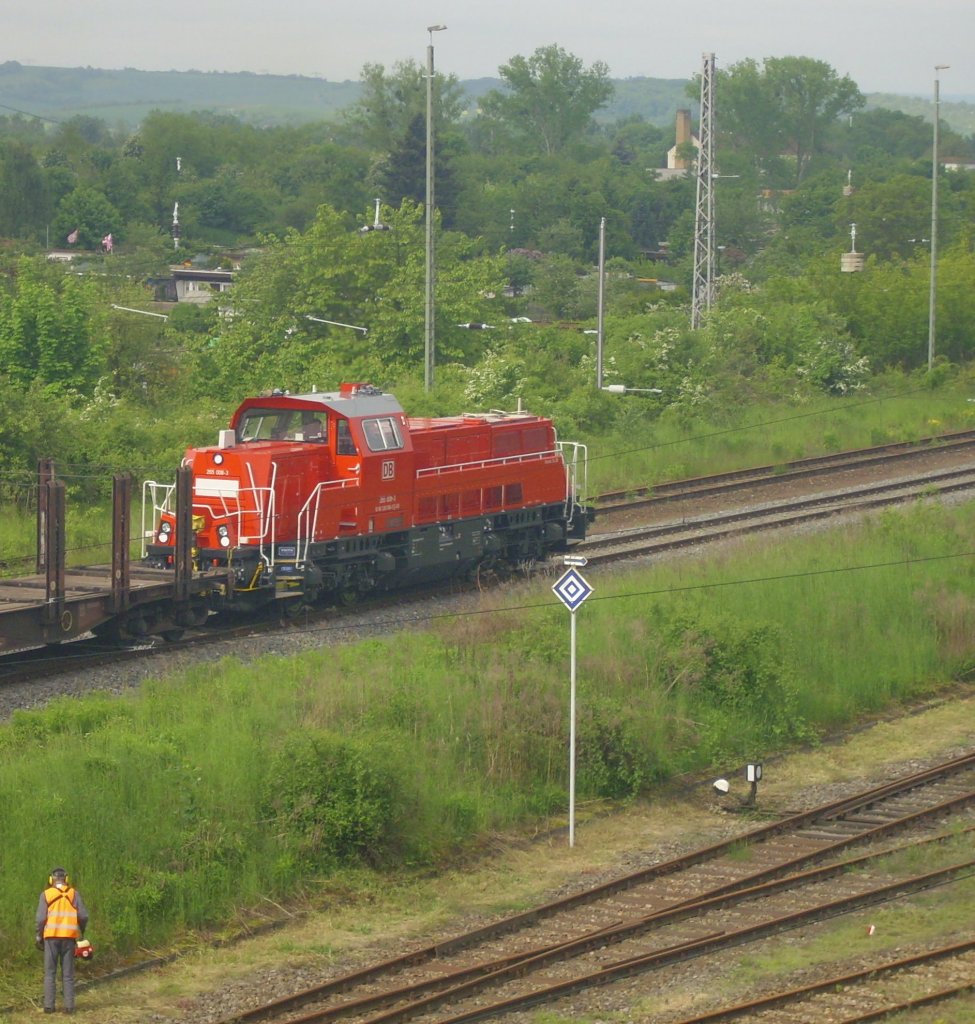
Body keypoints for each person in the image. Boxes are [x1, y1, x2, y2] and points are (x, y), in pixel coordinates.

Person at [35, 868, 88, 1014]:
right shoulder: (74, 894)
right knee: (68, 974)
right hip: (69, 938)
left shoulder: (46, 894)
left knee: (50, 973)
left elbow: (40, 919)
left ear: (51, 879)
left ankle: (49, 1006)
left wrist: (38, 935)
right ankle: (69, 1007)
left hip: (51, 938)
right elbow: (83, 916)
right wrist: (82, 930)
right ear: (66, 879)